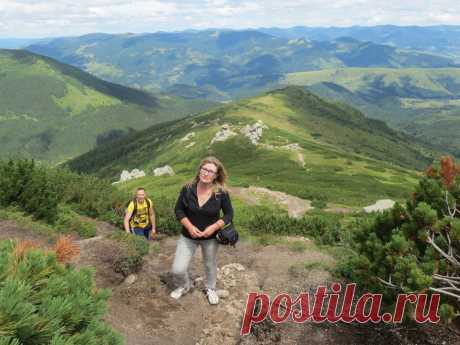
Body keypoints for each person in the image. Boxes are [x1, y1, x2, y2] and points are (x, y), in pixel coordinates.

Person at [170, 156, 233, 305]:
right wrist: (190, 227)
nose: (206, 173)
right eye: (204, 169)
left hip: (210, 238)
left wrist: (214, 227)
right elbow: (178, 210)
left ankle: (210, 288)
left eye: (211, 171)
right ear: (199, 170)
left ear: (216, 175)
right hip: (187, 236)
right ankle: (184, 286)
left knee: (210, 264)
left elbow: (229, 214)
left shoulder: (221, 193)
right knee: (177, 269)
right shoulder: (187, 189)